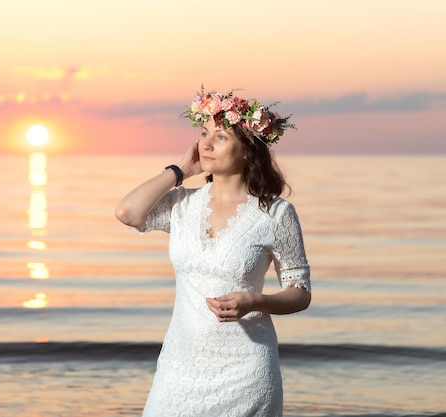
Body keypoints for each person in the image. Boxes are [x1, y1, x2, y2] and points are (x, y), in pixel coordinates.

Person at [115, 87, 311, 417]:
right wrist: (180, 170)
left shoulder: (276, 213)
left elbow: (300, 293)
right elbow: (127, 212)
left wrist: (256, 301)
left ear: (249, 150)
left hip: (246, 372)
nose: (206, 144)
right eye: (203, 134)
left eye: (220, 137)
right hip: (179, 368)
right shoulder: (182, 205)